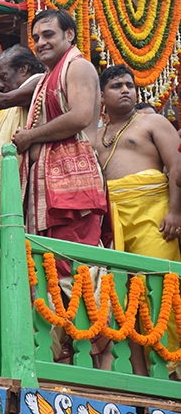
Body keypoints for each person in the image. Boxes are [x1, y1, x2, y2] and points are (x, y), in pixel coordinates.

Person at [95, 64, 181, 377]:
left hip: (154, 217)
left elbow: (177, 167)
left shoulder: (153, 122)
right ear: (102, 95)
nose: (126, 90)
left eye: (130, 85)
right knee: (125, 297)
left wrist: (175, 212)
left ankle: (174, 369)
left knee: (161, 285)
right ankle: (142, 375)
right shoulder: (95, 136)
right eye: (117, 86)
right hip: (114, 224)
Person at [13, 9, 107, 250]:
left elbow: (79, 116)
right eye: (35, 38)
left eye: (48, 35)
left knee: (71, 265)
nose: (41, 43)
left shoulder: (79, 67)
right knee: (48, 265)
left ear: (69, 34)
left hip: (72, 187)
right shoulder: (48, 75)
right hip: (51, 186)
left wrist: (30, 136)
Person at [0, 45, 46, 207]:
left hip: (22, 187)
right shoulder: (17, 94)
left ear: (23, 69)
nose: (0, 85)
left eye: (3, 77)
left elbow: (2, 101)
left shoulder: (38, 81)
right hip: (6, 189)